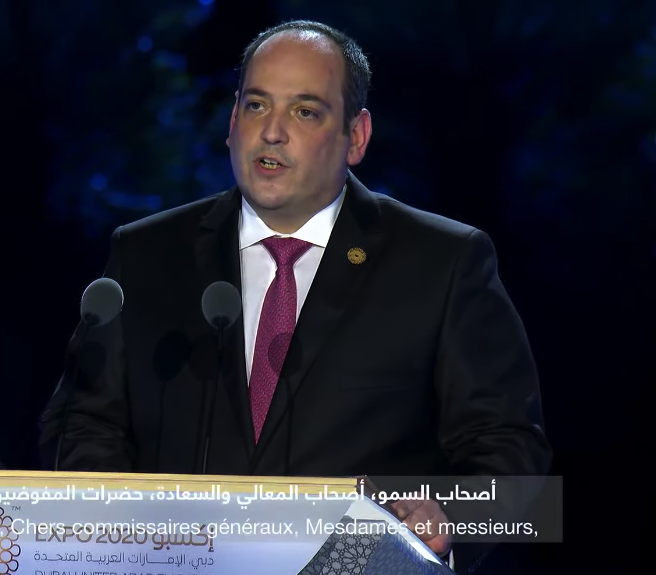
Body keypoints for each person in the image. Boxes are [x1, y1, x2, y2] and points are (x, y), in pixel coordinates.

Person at [39, 20, 551, 573]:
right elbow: (82, 425)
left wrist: (448, 517)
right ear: (232, 124)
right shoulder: (145, 255)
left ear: (356, 137)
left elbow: (512, 456)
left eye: (305, 111)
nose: (272, 132)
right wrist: (124, 538)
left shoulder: (442, 262)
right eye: (257, 106)